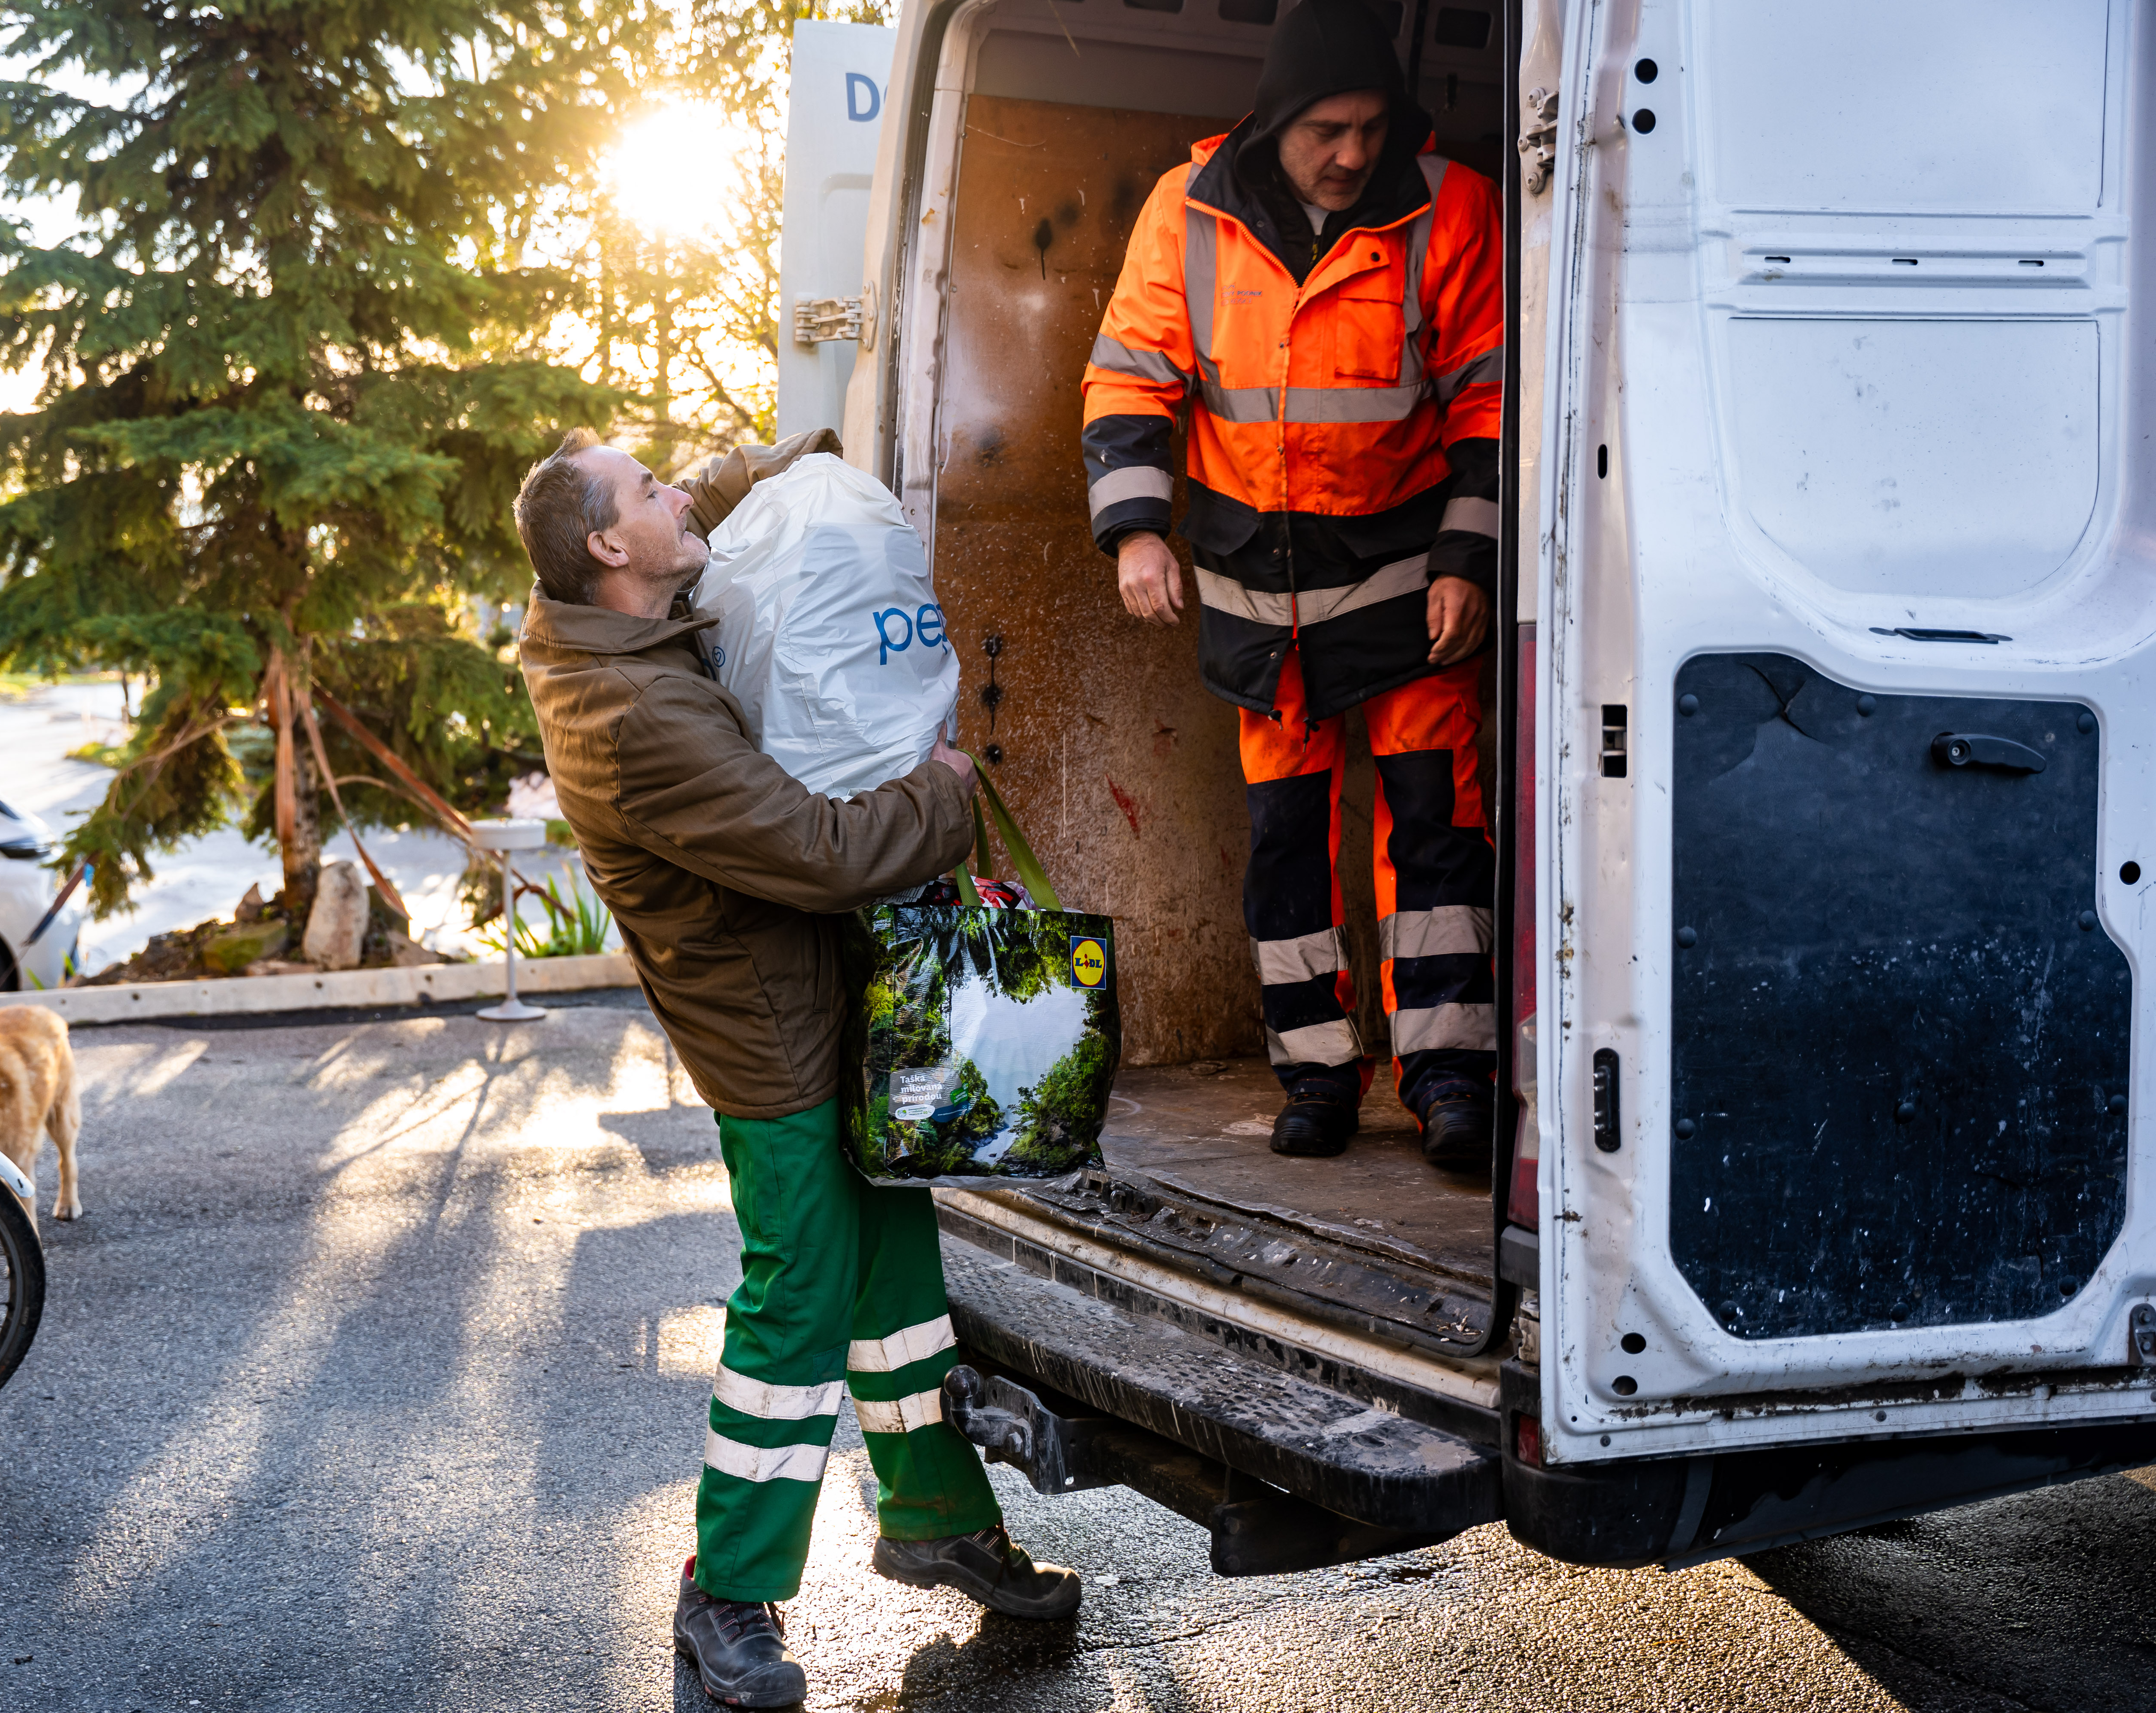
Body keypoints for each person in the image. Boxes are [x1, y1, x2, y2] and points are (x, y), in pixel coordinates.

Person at [514, 428, 1084, 1709]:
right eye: (649, 492)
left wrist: (768, 463)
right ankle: (726, 1590)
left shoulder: (620, 626)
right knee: (799, 1305)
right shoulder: (630, 714)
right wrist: (945, 792)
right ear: (612, 548)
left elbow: (693, 520)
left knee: (896, 1278)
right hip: (770, 1039)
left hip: (833, 1002)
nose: (675, 496)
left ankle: (936, 1518)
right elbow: (819, 851)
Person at [1080, 0, 1503, 1168]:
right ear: (1275, 125)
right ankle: (1314, 1076)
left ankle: (1451, 1079)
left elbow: (1489, 405)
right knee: (1288, 846)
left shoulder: (1451, 208)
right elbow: (1128, 380)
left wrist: (1469, 562)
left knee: (1434, 839)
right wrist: (1137, 535)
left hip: (1407, 581)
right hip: (1256, 599)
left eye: (1373, 127)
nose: (1355, 153)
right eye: (1329, 128)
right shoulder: (1190, 212)